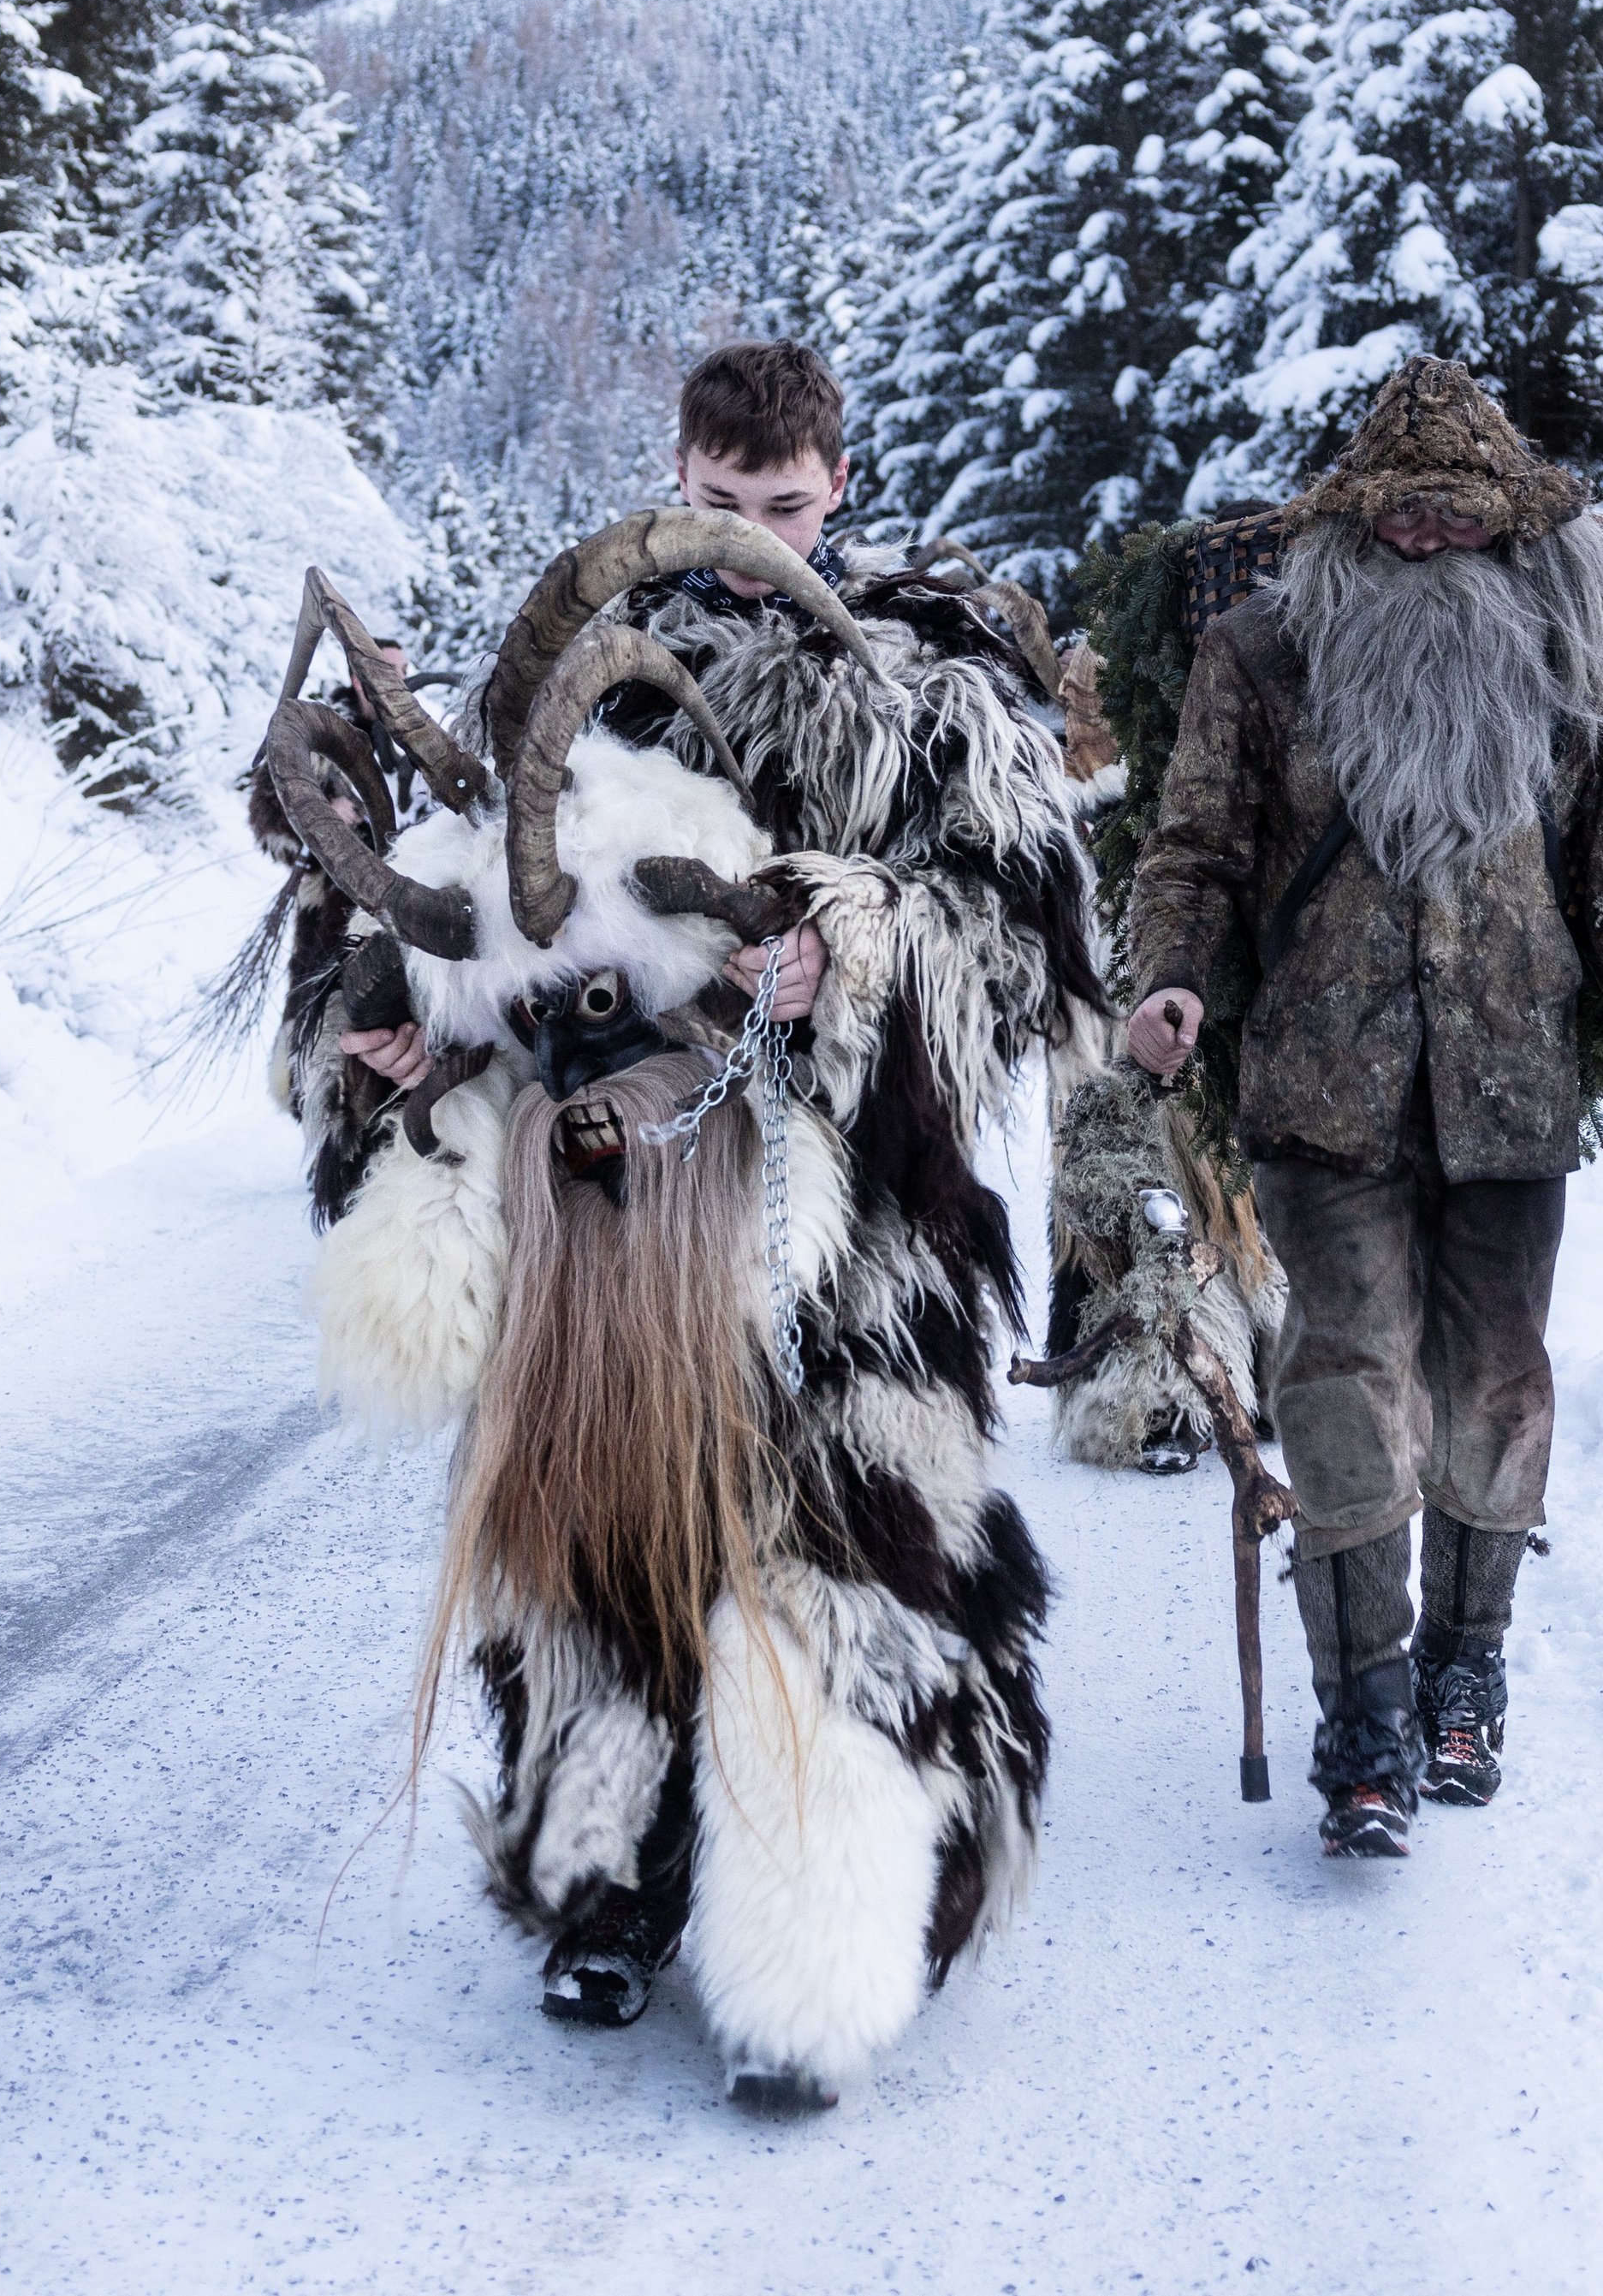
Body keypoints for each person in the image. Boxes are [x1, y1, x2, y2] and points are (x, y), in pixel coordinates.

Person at [323, 338, 1110, 2090]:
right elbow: (475, 889)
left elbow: (1028, 942)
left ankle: (819, 1946)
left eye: (785, 505)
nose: (751, 535)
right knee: (597, 1545)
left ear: (840, 486)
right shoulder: (575, 675)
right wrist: (408, 1013)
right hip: (611, 1196)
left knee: (844, 1551)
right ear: (674, 474)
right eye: (718, 497)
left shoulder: (928, 682)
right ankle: (609, 1886)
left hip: (862, 1207)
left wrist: (851, 940)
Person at [1123, 357, 1603, 1859]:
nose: (1427, 540)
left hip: (1509, 1093)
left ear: (1509, 523)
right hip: (1323, 1093)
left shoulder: (1579, 667)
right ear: (1355, 515)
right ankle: (1366, 1717)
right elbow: (1194, 850)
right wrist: (1172, 977)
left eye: (1458, 518)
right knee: (1342, 1385)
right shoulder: (1262, 656)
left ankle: (1468, 1674)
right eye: (1402, 516)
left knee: (1499, 1390)